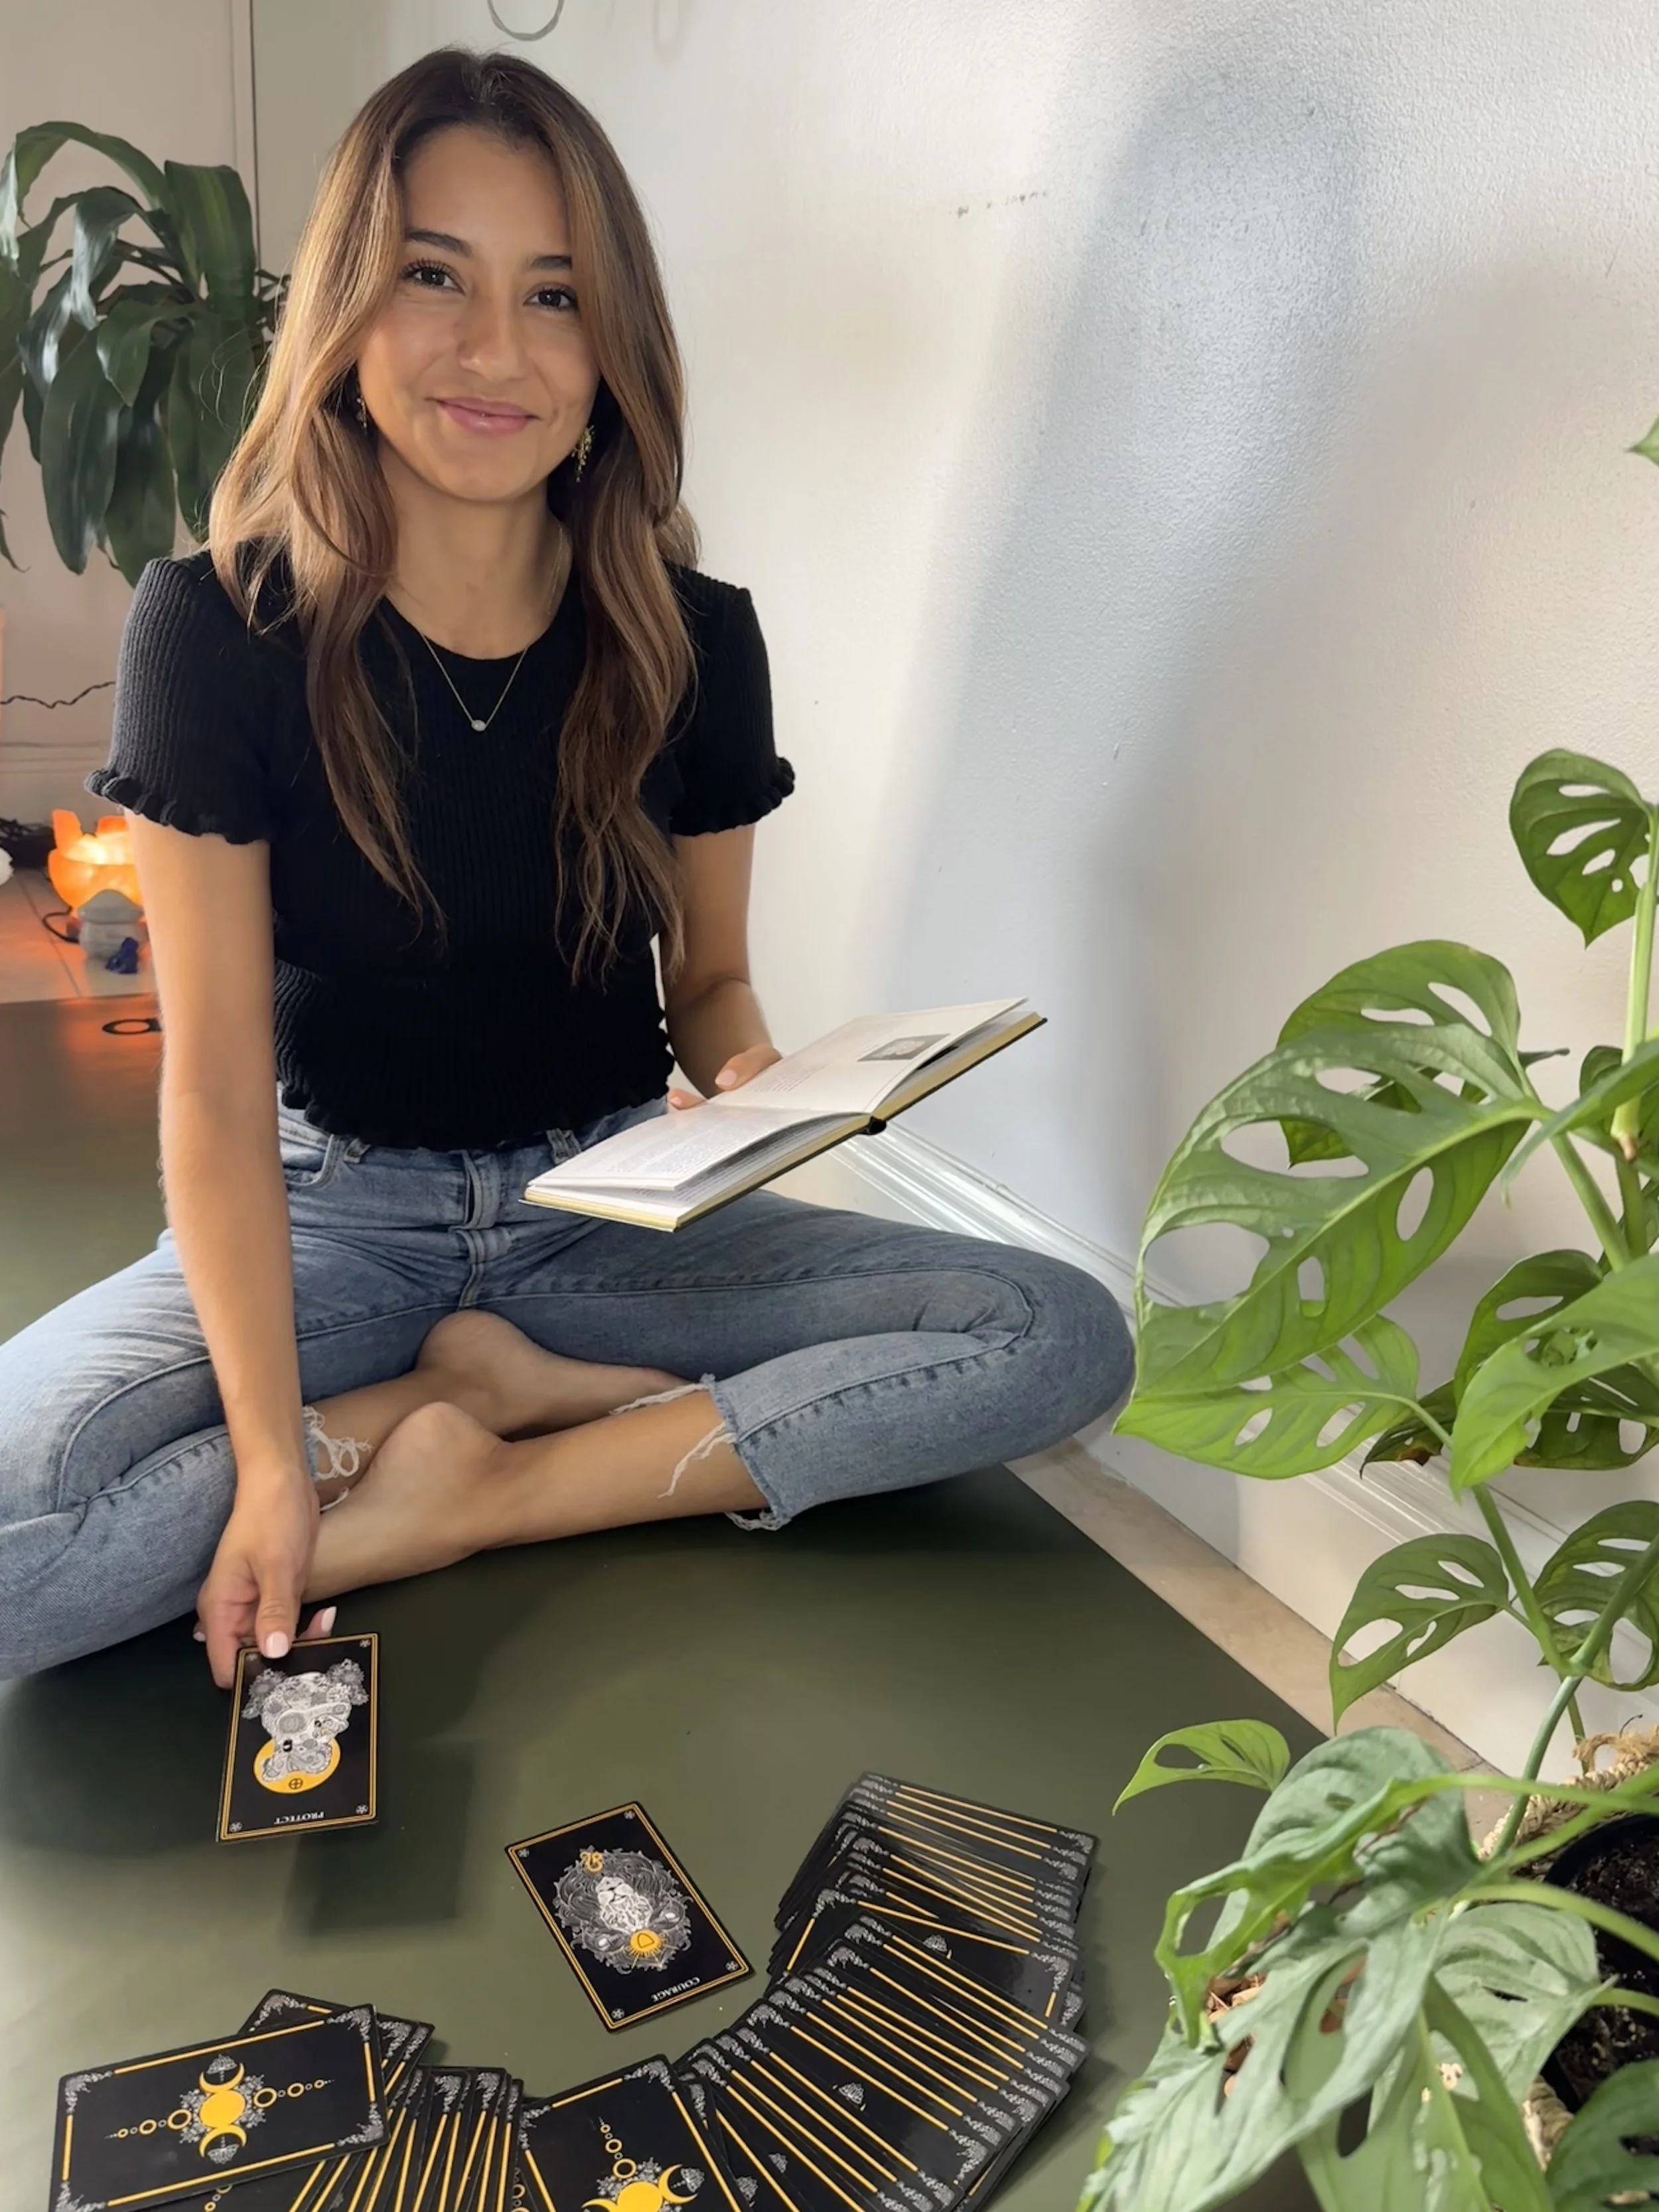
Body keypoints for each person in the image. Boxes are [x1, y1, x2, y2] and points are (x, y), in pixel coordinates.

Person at [0, 49, 1131, 1692]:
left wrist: (754, 1088)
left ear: (612, 351)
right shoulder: (218, 628)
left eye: (554, 295)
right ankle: (437, 1405)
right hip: (336, 1218)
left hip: (609, 1214)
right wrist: (273, 1463)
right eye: (432, 278)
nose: (494, 351)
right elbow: (218, 1093)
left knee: (1057, 1335)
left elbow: (711, 985)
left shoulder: (696, 640)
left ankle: (496, 1478)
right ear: (345, 313)